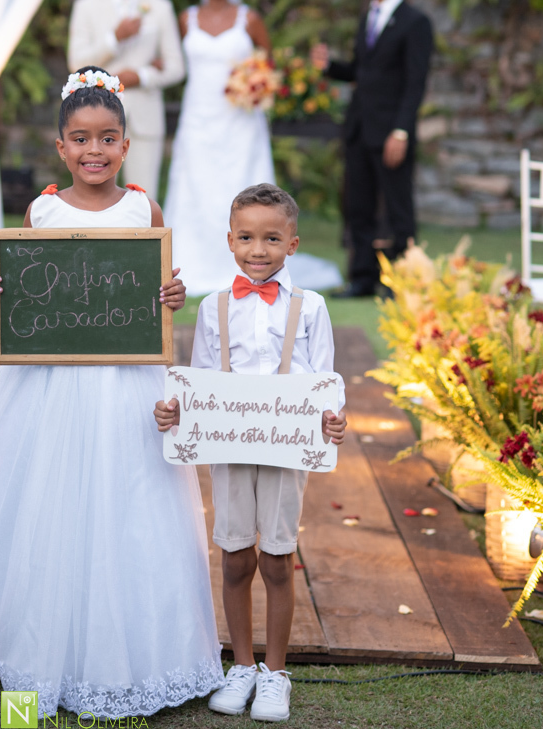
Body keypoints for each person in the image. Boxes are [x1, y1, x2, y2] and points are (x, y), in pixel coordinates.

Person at [0, 67, 222, 720]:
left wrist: (170, 295)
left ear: (126, 146)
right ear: (61, 146)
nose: (94, 151)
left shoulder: (143, 211)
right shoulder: (42, 211)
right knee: (46, 505)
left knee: (126, 501)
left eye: (107, 139)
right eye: (80, 139)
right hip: (49, 385)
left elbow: (155, 291)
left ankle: (129, 664)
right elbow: (20, 288)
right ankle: (36, 669)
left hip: (123, 383)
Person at [154, 184, 347, 723]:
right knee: (236, 554)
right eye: (246, 238)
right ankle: (240, 665)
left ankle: (275, 672)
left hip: (287, 447)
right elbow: (200, 381)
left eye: (271, 239)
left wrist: (333, 417)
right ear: (230, 241)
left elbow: (326, 381)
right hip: (230, 448)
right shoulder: (213, 307)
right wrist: (176, 412)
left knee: (278, 558)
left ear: (292, 244)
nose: (257, 250)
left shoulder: (312, 307)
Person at [311, 0, 434, 298]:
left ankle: (402, 281)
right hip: (360, 128)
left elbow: (415, 83)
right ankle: (362, 278)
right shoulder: (368, 16)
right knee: (358, 208)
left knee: (398, 210)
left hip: (392, 131)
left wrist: (402, 130)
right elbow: (362, 72)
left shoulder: (416, 22)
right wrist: (330, 67)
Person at [163, 0, 274, 296]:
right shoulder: (186, 19)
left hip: (239, 120)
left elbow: (268, 64)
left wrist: (254, 85)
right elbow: (170, 61)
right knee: (195, 185)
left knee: (239, 187)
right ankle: (192, 262)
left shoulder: (249, 19)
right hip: (198, 117)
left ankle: (249, 261)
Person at [68, 0, 184, 199]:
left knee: (143, 197)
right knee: (94, 196)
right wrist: (115, 38)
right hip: (96, 116)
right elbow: (76, 63)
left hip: (144, 118)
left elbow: (176, 66)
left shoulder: (161, 7)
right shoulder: (86, 6)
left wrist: (141, 76)